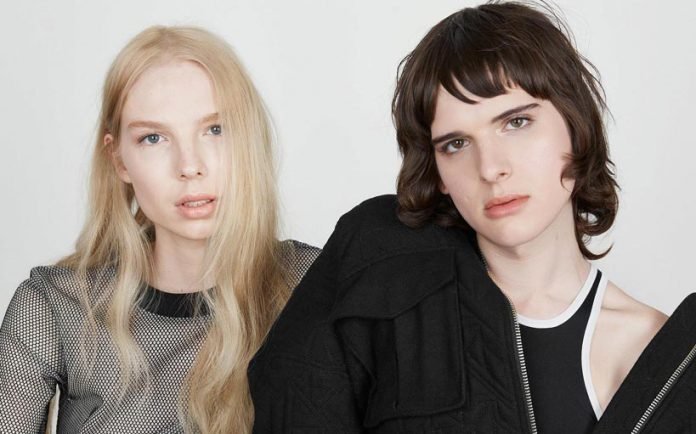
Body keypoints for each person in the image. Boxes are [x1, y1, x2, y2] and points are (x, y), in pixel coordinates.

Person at [249, 2, 696, 433]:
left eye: (516, 123)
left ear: (575, 127)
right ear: (437, 173)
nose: (490, 168)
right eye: (456, 144)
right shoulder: (382, 268)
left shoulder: (675, 361)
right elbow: (289, 401)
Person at [0, 26, 319, 433]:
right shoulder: (56, 307)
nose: (189, 165)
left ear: (249, 137)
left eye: (215, 130)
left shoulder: (314, 287)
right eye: (153, 138)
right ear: (119, 160)